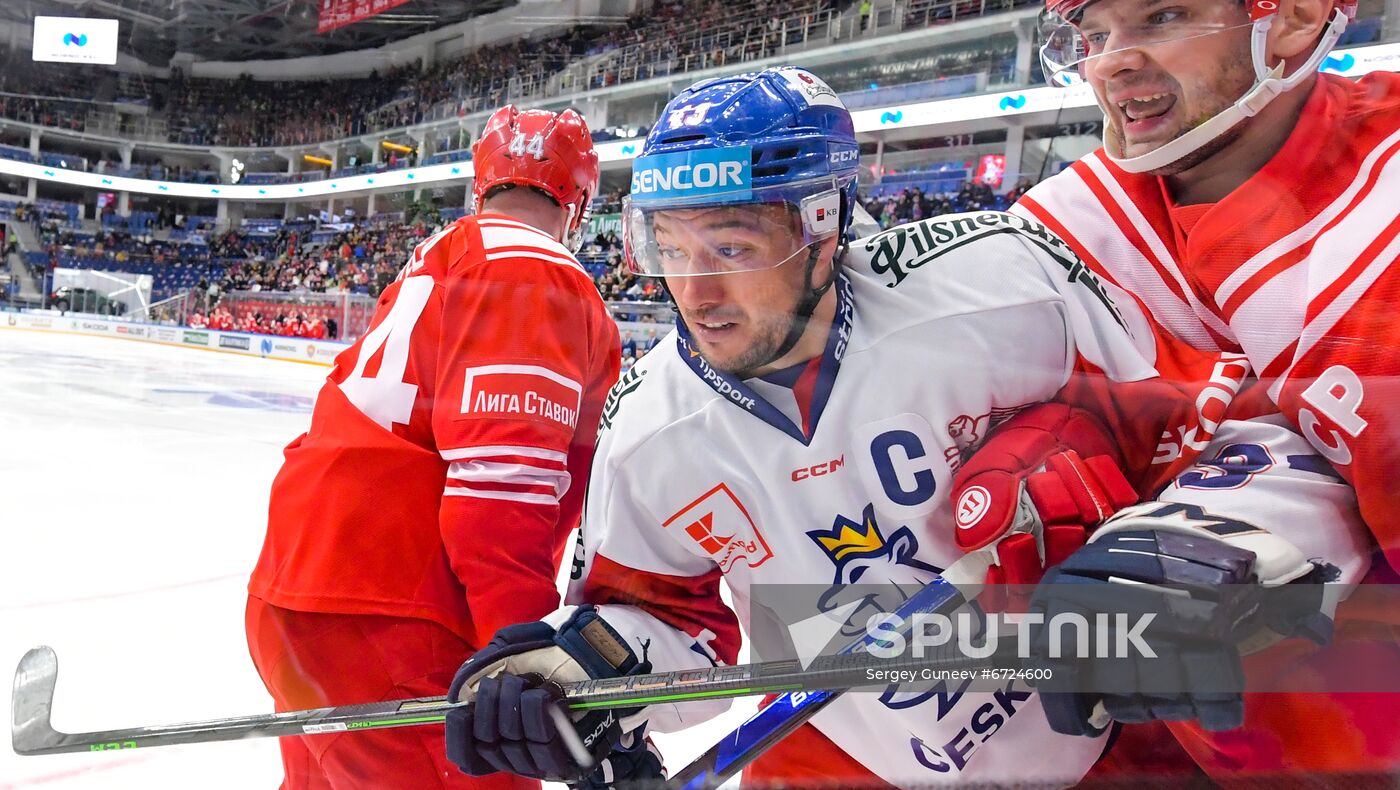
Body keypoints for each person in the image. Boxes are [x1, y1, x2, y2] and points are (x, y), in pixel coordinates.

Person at [438, 67, 1369, 787]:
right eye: (668, 248)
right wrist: (582, 669)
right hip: (844, 757)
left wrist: (1209, 529)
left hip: (1120, 731)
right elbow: (663, 620)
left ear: (826, 222)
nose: (697, 294)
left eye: (733, 246)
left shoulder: (1003, 289)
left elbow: (1235, 426)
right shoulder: (647, 428)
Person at [1009, 0, 1400, 777]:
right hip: (1173, 741)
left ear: (1292, 19)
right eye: (1095, 35)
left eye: (1163, 17)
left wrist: (1261, 516)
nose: (1109, 62)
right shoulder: (1064, 227)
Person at [245, 106, 620, 789]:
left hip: (298, 596)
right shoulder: (535, 269)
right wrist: (529, 664)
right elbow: (498, 497)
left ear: (483, 184)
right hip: (397, 620)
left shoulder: (441, 254)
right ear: (580, 199)